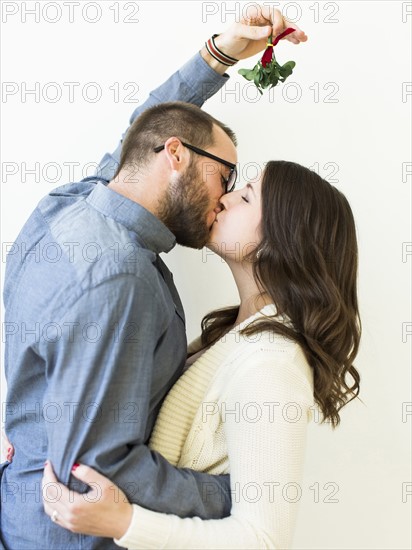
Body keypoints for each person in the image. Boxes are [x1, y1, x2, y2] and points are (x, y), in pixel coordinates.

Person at [0, 6, 308, 550]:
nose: (226, 195)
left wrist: (220, 53)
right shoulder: (119, 278)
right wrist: (235, 496)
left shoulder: (70, 206)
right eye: (226, 176)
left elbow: (144, 131)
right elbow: (96, 467)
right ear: (175, 156)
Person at [42, 159, 361, 549]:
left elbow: (263, 538)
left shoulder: (271, 365)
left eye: (246, 196)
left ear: (281, 240)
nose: (224, 199)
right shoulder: (231, 335)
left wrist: (125, 521)